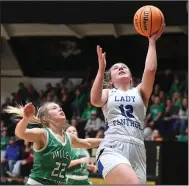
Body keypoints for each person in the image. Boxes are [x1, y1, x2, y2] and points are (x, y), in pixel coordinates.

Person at [90, 24, 165, 184]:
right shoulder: (108, 93)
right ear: (111, 80)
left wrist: (152, 42)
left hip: (138, 149)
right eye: (116, 68)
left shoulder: (140, 92)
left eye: (124, 67)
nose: (121, 68)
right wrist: (101, 69)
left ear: (131, 76)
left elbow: (150, 69)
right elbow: (95, 100)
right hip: (113, 146)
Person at [5, 102, 102, 185]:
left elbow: (87, 142)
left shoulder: (69, 137)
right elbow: (20, 133)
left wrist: (106, 141)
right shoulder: (43, 134)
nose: (60, 109)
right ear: (45, 118)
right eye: (54, 108)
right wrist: (26, 119)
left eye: (60, 107)